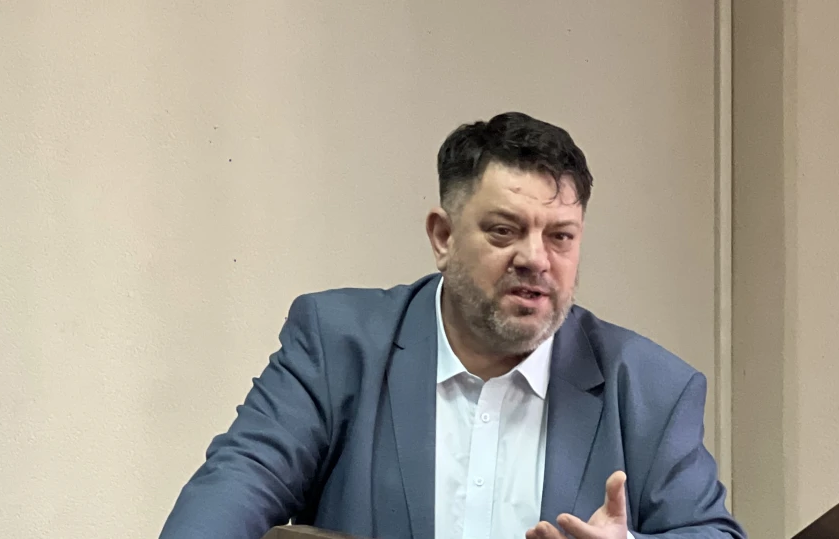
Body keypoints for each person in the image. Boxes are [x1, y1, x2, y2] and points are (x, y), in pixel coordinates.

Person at [158, 112, 747, 539]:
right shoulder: (339, 344)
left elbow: (711, 533)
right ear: (443, 237)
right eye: (504, 231)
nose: (536, 259)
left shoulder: (649, 387)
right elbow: (238, 482)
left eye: (560, 237)